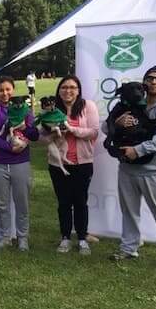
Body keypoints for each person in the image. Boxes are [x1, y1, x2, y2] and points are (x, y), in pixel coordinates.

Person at [106, 66, 156, 272]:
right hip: (127, 169)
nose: (154, 82)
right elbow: (106, 128)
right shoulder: (130, 101)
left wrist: (137, 150)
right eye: (150, 78)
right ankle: (129, 247)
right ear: (144, 82)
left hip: (154, 170)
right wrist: (118, 122)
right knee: (129, 212)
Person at [40, 76, 99, 255]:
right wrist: (53, 136)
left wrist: (73, 130)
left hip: (83, 162)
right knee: (64, 202)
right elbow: (41, 137)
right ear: (59, 90)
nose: (68, 90)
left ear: (78, 90)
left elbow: (94, 132)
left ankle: (82, 238)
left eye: (72, 87)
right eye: (64, 87)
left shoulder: (88, 106)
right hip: (58, 163)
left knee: (80, 201)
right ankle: (65, 237)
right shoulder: (51, 108)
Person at [0, 75, 39, 251]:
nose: (4, 93)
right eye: (1, 90)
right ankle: (6, 236)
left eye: (8, 89)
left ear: (13, 90)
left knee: (22, 203)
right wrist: (9, 148)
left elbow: (35, 135)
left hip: (20, 163)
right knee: (2, 203)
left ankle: (22, 238)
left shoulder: (25, 110)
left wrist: (26, 128)